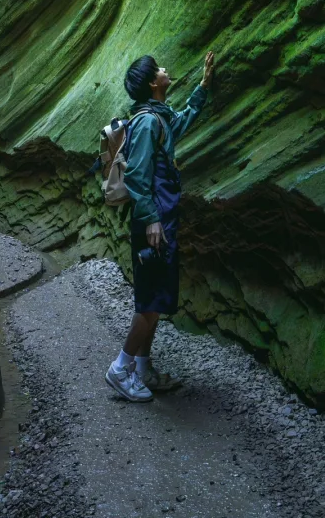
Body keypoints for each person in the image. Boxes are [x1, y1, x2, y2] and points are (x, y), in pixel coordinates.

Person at [104, 48, 215, 401]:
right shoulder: (149, 121)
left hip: (161, 219)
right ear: (155, 83)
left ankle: (142, 369)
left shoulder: (158, 118)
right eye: (160, 69)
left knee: (157, 298)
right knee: (150, 303)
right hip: (152, 223)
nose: (166, 70)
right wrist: (152, 220)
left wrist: (204, 85)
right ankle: (120, 369)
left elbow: (181, 122)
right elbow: (137, 175)